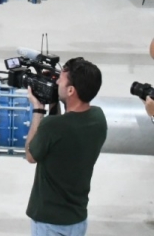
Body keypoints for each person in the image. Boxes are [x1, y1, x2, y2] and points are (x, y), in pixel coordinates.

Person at [24, 57, 108, 236]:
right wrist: (54, 101)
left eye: (59, 81)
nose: (56, 84)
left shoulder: (52, 127)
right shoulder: (98, 118)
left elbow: (31, 155)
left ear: (71, 90)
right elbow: (65, 127)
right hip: (77, 220)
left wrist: (38, 109)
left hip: (49, 222)